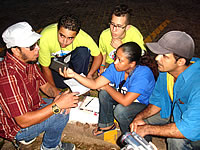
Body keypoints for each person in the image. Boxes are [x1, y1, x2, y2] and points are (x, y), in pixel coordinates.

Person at [0, 22, 79, 150]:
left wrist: (59, 96)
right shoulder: (7, 76)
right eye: (32, 46)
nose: (38, 48)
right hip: (17, 127)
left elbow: (46, 86)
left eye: (37, 44)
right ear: (16, 50)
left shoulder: (28, 61)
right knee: (60, 113)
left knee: (63, 106)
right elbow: (22, 121)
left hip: (32, 108)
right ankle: (50, 147)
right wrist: (58, 105)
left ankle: (35, 137)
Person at [60, 42, 156, 135]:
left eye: (120, 60)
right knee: (104, 93)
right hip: (125, 98)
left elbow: (125, 101)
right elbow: (94, 84)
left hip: (144, 105)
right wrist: (74, 75)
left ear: (132, 64)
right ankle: (107, 125)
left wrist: (107, 86)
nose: (115, 62)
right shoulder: (115, 68)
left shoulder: (143, 74)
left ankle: (131, 136)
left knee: (121, 110)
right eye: (116, 57)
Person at [130, 31, 200, 150]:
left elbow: (190, 128)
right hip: (171, 113)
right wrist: (139, 117)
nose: (157, 58)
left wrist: (147, 129)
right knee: (126, 114)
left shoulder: (197, 84)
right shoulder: (166, 71)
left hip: (195, 128)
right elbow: (158, 101)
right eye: (159, 54)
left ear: (181, 61)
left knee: (175, 140)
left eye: (165, 56)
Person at [38, 14, 102, 89]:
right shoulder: (45, 38)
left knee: (83, 51)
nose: (64, 42)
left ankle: (80, 78)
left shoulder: (83, 37)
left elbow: (98, 56)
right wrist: (54, 91)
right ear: (57, 30)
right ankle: (72, 80)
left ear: (76, 35)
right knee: (61, 84)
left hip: (70, 57)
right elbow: (45, 68)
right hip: (54, 62)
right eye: (62, 36)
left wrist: (90, 75)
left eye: (70, 38)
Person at [99, 4, 146, 74]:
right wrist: (102, 66)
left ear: (127, 27)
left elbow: (142, 55)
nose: (114, 30)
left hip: (128, 66)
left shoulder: (134, 33)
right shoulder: (104, 35)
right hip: (110, 65)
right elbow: (103, 53)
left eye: (119, 26)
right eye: (112, 24)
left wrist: (122, 48)